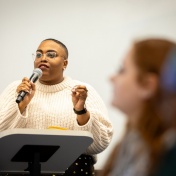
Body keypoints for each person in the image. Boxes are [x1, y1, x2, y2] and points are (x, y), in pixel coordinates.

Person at [0, 38, 113, 176]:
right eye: (38, 54)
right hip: (20, 170)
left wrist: (81, 111)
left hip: (73, 170)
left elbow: (101, 143)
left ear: (64, 63)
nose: (43, 58)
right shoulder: (17, 90)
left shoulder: (82, 91)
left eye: (51, 55)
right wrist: (21, 106)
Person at [100, 38, 176, 176]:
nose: (112, 78)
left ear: (147, 85)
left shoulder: (169, 158)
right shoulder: (129, 144)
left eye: (122, 70)